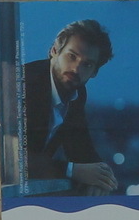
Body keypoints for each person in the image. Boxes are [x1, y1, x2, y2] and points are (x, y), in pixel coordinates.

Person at [21, 19, 118, 193]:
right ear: (54, 51)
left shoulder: (77, 92)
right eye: (72, 56)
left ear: (95, 72)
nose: (76, 69)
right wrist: (72, 170)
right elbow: (10, 157)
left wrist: (101, 177)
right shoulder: (23, 83)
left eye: (87, 64)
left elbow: (81, 146)